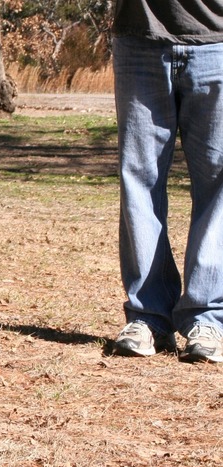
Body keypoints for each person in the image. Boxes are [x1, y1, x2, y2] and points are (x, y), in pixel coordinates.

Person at [111, 0, 223, 362]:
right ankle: (148, 316)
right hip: (139, 38)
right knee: (139, 181)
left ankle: (207, 317)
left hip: (216, 41)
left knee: (217, 183)